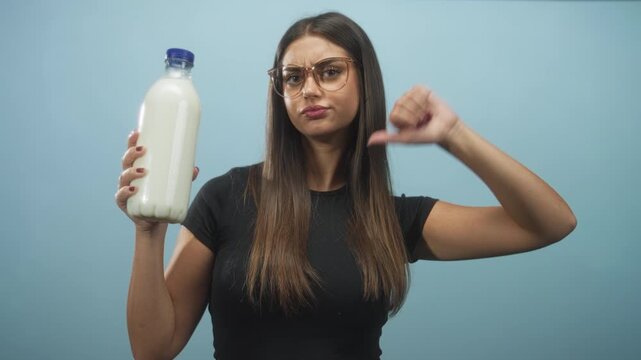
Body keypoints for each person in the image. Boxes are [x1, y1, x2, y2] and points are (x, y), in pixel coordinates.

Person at [115, 11, 576, 360]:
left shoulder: (395, 219)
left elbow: (550, 224)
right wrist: (147, 231)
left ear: (364, 80)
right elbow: (153, 349)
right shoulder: (226, 197)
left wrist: (456, 137)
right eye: (293, 78)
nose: (308, 89)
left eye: (329, 71)